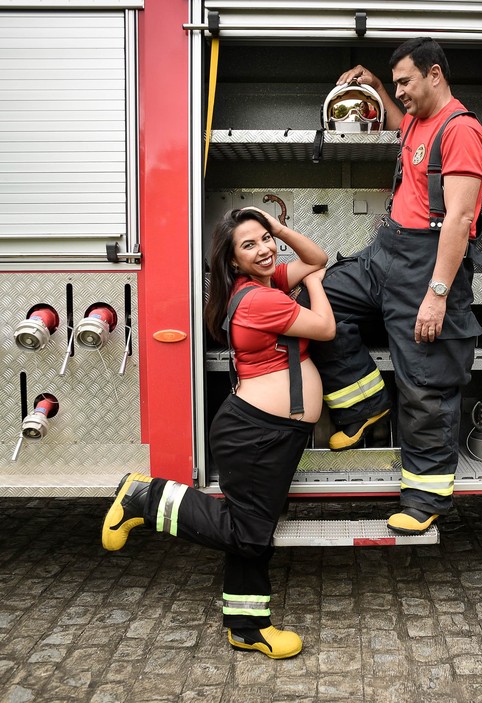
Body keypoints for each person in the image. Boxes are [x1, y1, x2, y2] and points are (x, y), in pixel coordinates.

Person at [101, 207, 334, 660]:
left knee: (253, 529)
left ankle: (247, 628)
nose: (265, 249)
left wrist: (281, 230)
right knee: (249, 533)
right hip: (256, 434)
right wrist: (316, 284)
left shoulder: (264, 284)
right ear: (231, 262)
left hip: (267, 432)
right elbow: (325, 325)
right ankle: (144, 499)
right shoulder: (262, 299)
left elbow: (316, 254)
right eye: (250, 245)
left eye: (266, 239)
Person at [315, 38, 482, 535]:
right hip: (385, 254)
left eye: (405, 83)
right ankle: (365, 406)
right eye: (394, 85)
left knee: (425, 388)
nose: (400, 93)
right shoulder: (416, 119)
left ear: (435, 74)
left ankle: (425, 498)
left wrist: (436, 296)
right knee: (315, 301)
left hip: (428, 264)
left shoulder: (461, 131)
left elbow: (458, 219)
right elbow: (400, 125)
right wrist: (372, 86)